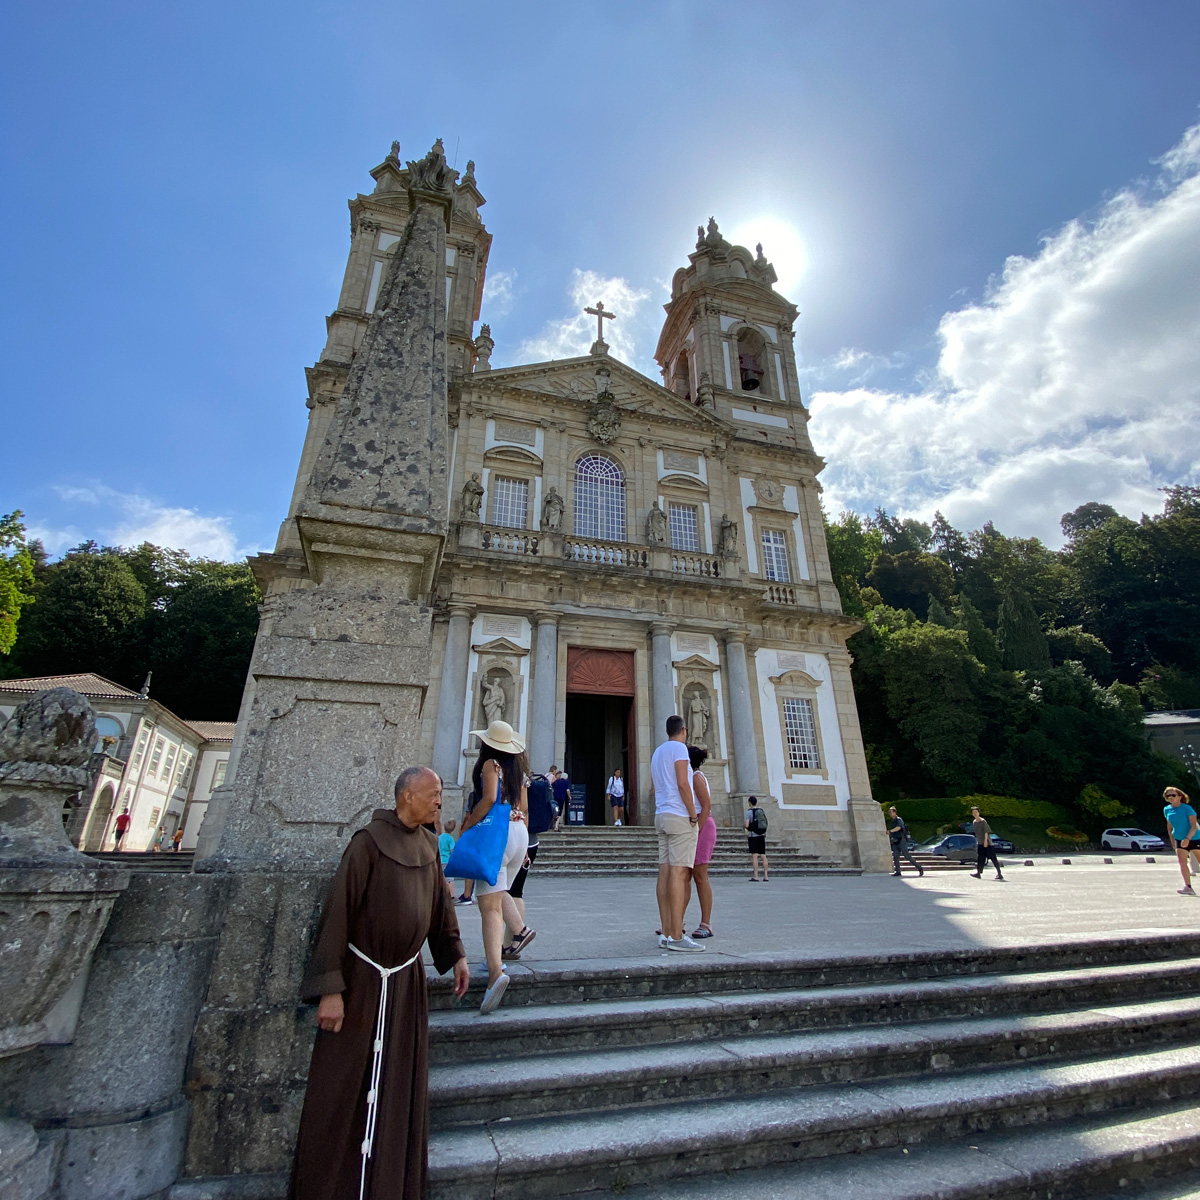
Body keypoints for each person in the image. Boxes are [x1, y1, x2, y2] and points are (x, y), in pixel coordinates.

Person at [288, 766, 469, 1200]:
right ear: (407, 796)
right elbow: (338, 914)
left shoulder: (430, 845)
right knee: (345, 1083)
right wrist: (331, 988)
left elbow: (441, 909)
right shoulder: (366, 844)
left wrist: (456, 954)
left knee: (399, 1082)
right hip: (363, 981)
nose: (440, 801)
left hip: (406, 983)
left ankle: (391, 1183)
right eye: (434, 793)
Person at [459, 720, 536, 1013]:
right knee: (498, 887)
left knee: (488, 905)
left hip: (498, 833)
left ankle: (495, 971)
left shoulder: (491, 763)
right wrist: (526, 846)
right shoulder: (519, 770)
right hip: (519, 832)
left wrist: (469, 823)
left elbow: (490, 799)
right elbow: (524, 808)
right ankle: (519, 928)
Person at [650, 714, 703, 951]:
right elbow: (683, 784)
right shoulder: (680, 750)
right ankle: (677, 936)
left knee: (665, 871)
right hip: (679, 815)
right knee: (680, 874)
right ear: (684, 730)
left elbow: (654, 787)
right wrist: (693, 813)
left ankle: (665, 932)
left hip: (661, 815)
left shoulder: (657, 752)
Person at [504, 752, 539, 961]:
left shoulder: (500, 771)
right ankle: (509, 945)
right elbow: (525, 809)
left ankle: (517, 934)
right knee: (516, 892)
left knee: (498, 890)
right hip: (529, 839)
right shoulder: (525, 776)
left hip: (512, 836)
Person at [687, 746, 716, 939]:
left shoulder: (696, 777)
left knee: (700, 875)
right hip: (693, 825)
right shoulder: (689, 777)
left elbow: (706, 806)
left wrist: (696, 831)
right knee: (684, 876)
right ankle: (675, 922)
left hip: (702, 827)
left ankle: (706, 924)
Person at [1163, 786, 1200, 895]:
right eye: (1168, 795)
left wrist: (1187, 838)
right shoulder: (1167, 809)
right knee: (1182, 863)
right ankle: (1188, 887)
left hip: (1194, 838)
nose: (1170, 797)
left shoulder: (1187, 808)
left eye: (1173, 795)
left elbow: (1194, 826)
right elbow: (1169, 827)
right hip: (1179, 839)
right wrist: (1173, 843)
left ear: (1180, 796)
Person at [968, 804, 1005, 880]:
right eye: (973, 812)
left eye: (976, 812)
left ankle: (999, 873)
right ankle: (978, 873)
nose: (975, 814)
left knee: (993, 858)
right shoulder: (974, 822)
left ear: (979, 813)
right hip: (980, 843)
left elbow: (986, 832)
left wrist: (985, 841)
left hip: (987, 843)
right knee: (980, 858)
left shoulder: (983, 821)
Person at [887, 806, 924, 878]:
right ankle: (898, 871)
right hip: (895, 840)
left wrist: (890, 831)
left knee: (907, 856)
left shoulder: (898, 820)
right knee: (895, 856)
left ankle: (919, 868)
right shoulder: (893, 821)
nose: (890, 814)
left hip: (901, 840)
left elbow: (899, 827)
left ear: (895, 812)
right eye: (889, 812)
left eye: (891, 812)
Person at [745, 796, 769, 881]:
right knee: (763, 855)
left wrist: (744, 826)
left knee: (755, 856)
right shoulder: (760, 811)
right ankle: (766, 876)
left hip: (753, 835)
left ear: (749, 803)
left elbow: (747, 825)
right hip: (761, 835)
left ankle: (756, 876)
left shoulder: (749, 812)